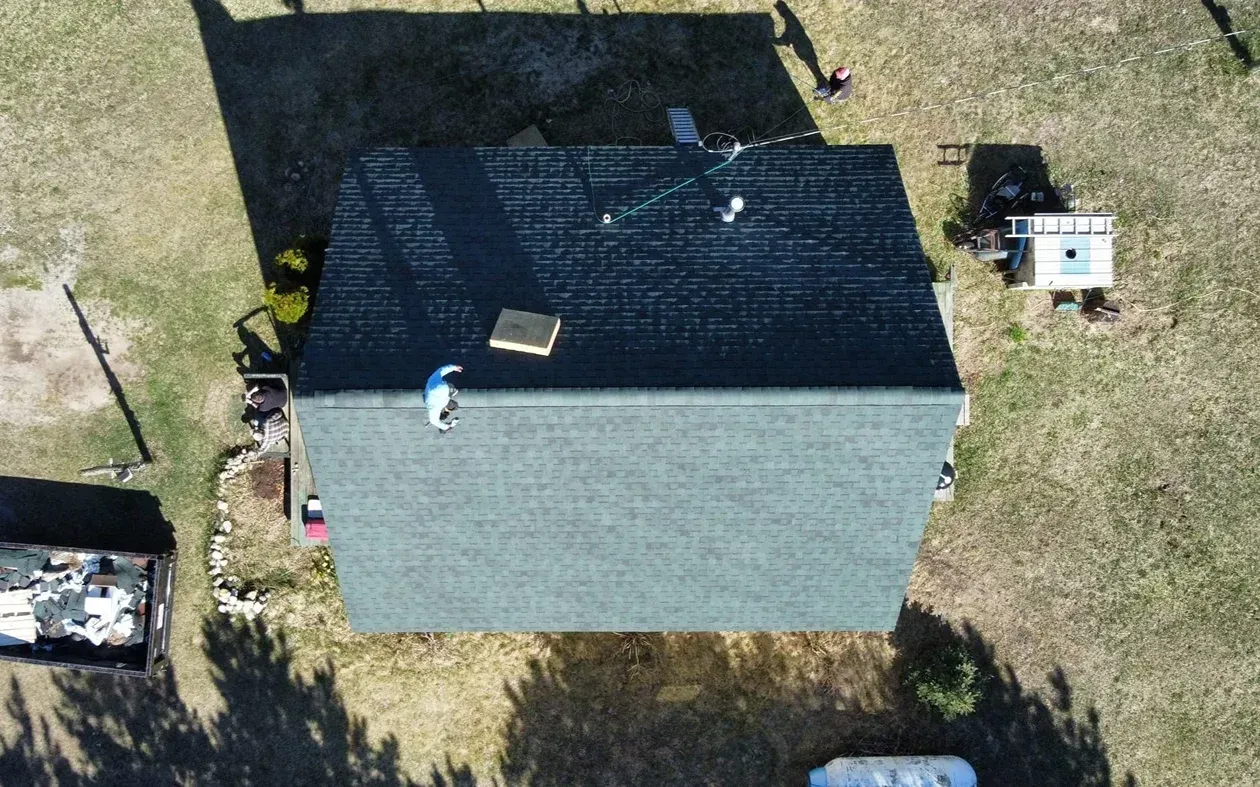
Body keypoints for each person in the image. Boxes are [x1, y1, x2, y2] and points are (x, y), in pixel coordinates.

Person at [424, 363, 463, 433]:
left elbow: (434, 421)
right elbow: (441, 370)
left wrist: (446, 427)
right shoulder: (433, 379)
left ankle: (444, 417)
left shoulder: (432, 381)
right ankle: (444, 414)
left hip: (437, 400)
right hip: (437, 401)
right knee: (453, 405)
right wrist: (453, 367)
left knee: (453, 405)